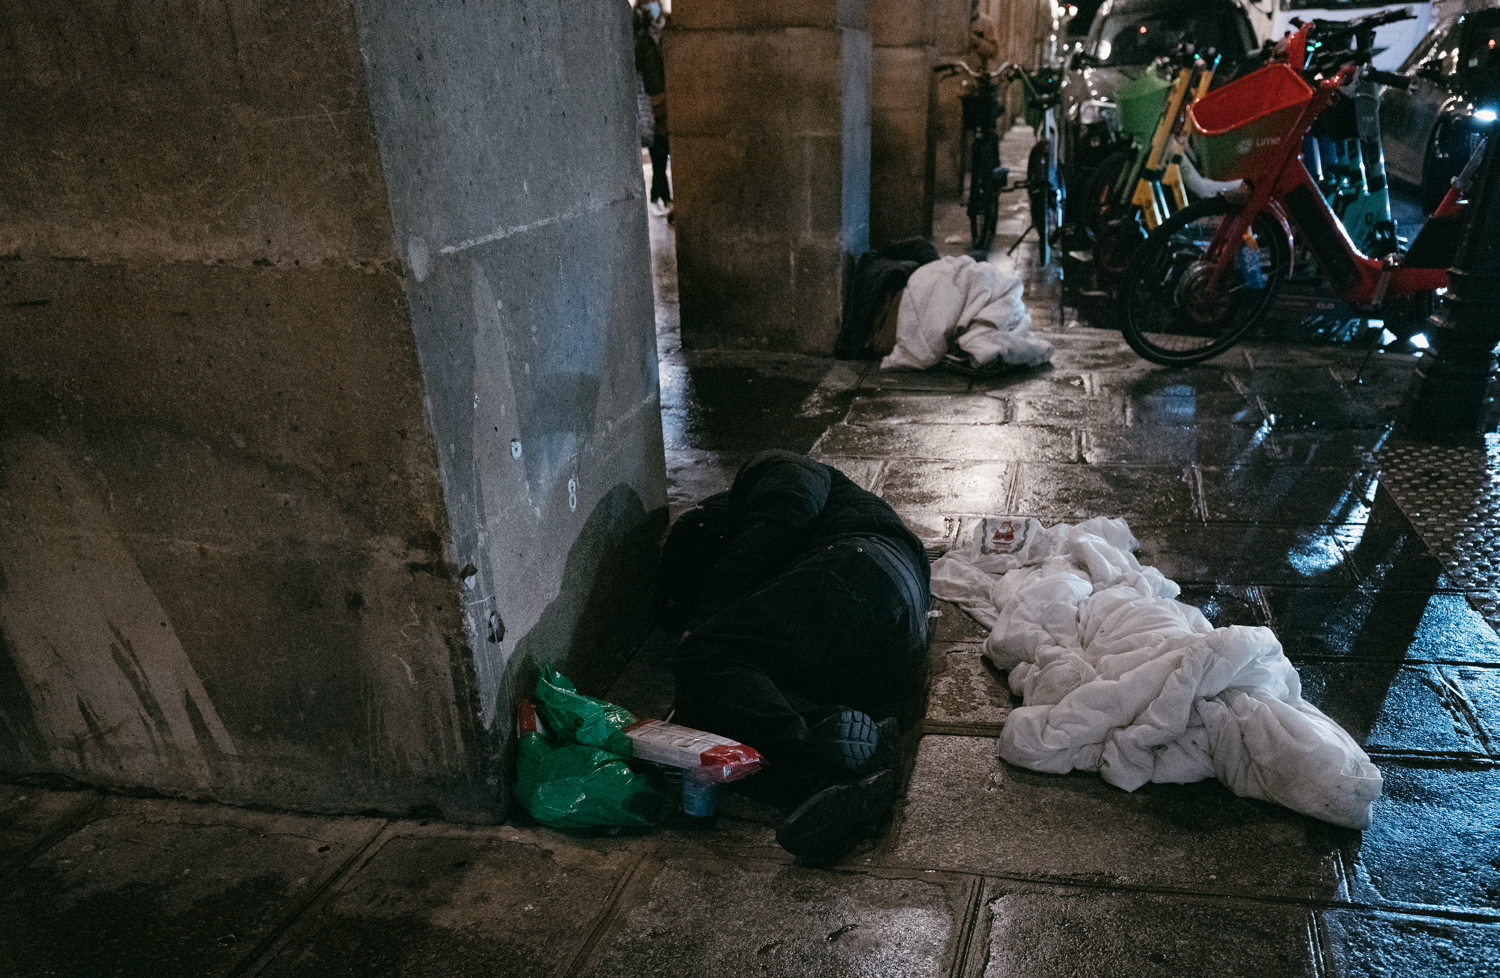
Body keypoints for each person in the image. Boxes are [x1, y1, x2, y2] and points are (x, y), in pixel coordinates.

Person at [660, 450, 931, 859]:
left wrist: (702, 622)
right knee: (740, 696)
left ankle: (819, 774)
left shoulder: (773, 467)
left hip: (858, 571)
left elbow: (788, 511)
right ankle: (849, 746)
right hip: (892, 633)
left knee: (705, 655)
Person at [632, 1, 671, 215]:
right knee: (658, 152)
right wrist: (640, 27)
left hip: (671, 99)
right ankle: (660, 196)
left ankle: (661, 196)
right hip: (652, 101)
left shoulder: (668, 30)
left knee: (664, 149)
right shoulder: (640, 36)